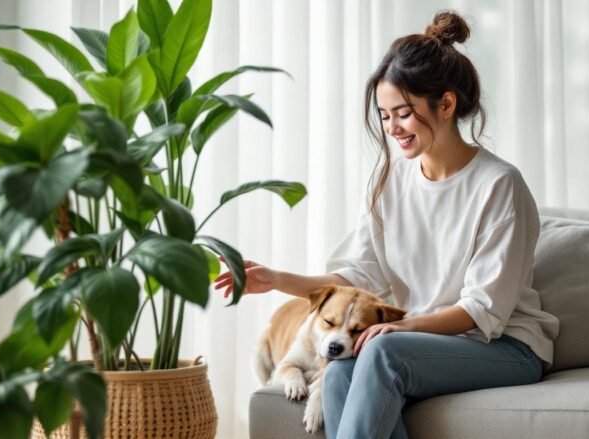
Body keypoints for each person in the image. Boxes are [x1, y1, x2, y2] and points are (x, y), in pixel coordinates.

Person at [214, 10, 559, 439]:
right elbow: (357, 276)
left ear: (446, 104)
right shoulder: (389, 181)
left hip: (506, 347)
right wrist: (278, 279)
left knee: (382, 353)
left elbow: (481, 311)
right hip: (417, 346)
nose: (392, 128)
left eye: (404, 113)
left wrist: (399, 327)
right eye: (384, 115)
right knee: (338, 374)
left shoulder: (498, 184)